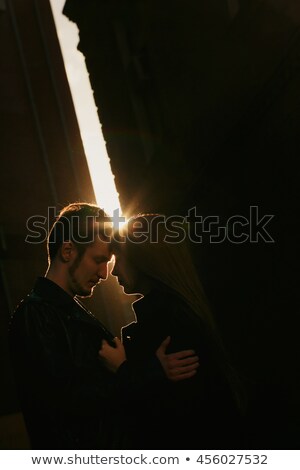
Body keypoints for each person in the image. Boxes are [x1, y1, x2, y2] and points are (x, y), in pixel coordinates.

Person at [9, 203, 199, 450]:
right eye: (99, 260)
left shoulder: (64, 312)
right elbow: (66, 402)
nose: (104, 273)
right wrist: (148, 373)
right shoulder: (36, 314)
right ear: (68, 251)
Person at [99, 214, 246, 450]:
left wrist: (123, 370)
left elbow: (175, 415)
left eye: (118, 259)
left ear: (143, 256)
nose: (113, 272)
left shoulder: (170, 324)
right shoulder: (177, 314)